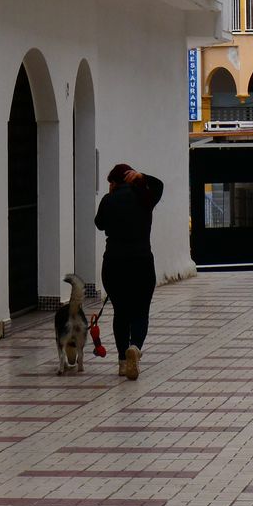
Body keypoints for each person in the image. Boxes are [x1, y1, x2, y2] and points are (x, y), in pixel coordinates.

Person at [94, 162, 164, 380]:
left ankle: (123, 362)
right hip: (142, 263)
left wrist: (111, 199)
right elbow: (159, 185)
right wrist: (142, 177)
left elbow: (99, 224)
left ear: (114, 182)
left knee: (121, 312)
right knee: (140, 311)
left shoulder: (108, 200)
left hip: (113, 264)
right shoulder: (145, 198)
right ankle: (135, 347)